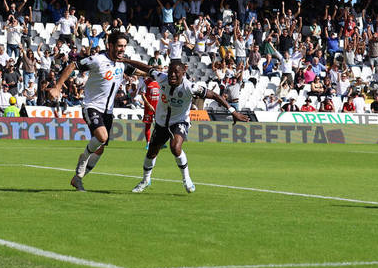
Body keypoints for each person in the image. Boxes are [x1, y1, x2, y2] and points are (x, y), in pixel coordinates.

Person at [128, 59, 249, 194]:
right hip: (161, 122)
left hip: (179, 122)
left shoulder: (190, 87)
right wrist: (126, 60)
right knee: (151, 153)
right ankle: (145, 181)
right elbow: (145, 67)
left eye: (176, 72)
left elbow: (214, 95)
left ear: (183, 72)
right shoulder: (160, 78)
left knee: (175, 147)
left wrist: (233, 111)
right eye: (170, 72)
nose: (172, 75)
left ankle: (186, 179)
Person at [48, 31, 136, 191]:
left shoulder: (122, 63)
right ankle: (83, 159)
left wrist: (158, 74)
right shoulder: (98, 60)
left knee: (100, 148)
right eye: (119, 46)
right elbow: (73, 65)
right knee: (102, 137)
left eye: (124, 46)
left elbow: (138, 71)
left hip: (108, 111)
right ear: (110, 46)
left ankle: (78, 178)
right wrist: (58, 86)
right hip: (92, 106)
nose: (122, 49)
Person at [137, 72, 160, 148]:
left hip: (158, 107)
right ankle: (148, 143)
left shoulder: (159, 81)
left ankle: (160, 142)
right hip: (149, 107)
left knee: (159, 125)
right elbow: (143, 95)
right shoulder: (146, 82)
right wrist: (148, 104)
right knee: (148, 125)